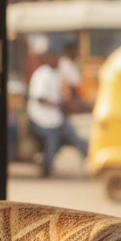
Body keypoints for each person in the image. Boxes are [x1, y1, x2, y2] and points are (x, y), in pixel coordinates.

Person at [27, 47, 88, 176]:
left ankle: (88, 160)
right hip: (41, 119)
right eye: (55, 59)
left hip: (55, 118)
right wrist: (58, 104)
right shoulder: (42, 74)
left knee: (73, 136)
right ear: (49, 60)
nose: (57, 62)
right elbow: (40, 98)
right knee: (53, 137)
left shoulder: (55, 74)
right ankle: (47, 167)